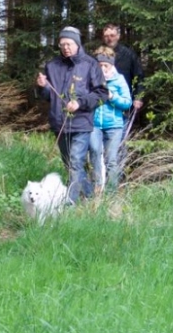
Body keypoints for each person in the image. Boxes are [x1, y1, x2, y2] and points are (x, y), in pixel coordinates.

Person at [36, 27, 108, 204]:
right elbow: (47, 96)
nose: (65, 47)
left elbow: (102, 94)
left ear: (77, 43)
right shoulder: (52, 65)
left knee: (76, 162)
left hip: (81, 123)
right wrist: (41, 86)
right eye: (62, 44)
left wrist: (80, 103)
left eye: (69, 44)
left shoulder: (90, 64)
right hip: (59, 123)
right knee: (70, 165)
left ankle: (70, 204)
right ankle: (91, 197)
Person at [88, 46, 132, 193]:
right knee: (94, 153)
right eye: (99, 66)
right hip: (94, 124)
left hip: (114, 125)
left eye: (105, 65)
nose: (103, 69)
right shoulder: (91, 80)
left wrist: (112, 97)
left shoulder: (119, 80)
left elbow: (127, 103)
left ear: (111, 65)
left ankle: (112, 193)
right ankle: (97, 188)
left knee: (111, 160)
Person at [101, 23, 145, 111]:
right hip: (103, 103)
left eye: (112, 35)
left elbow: (139, 77)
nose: (109, 38)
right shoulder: (99, 55)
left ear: (118, 36)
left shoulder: (129, 54)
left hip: (124, 101)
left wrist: (138, 97)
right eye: (106, 36)